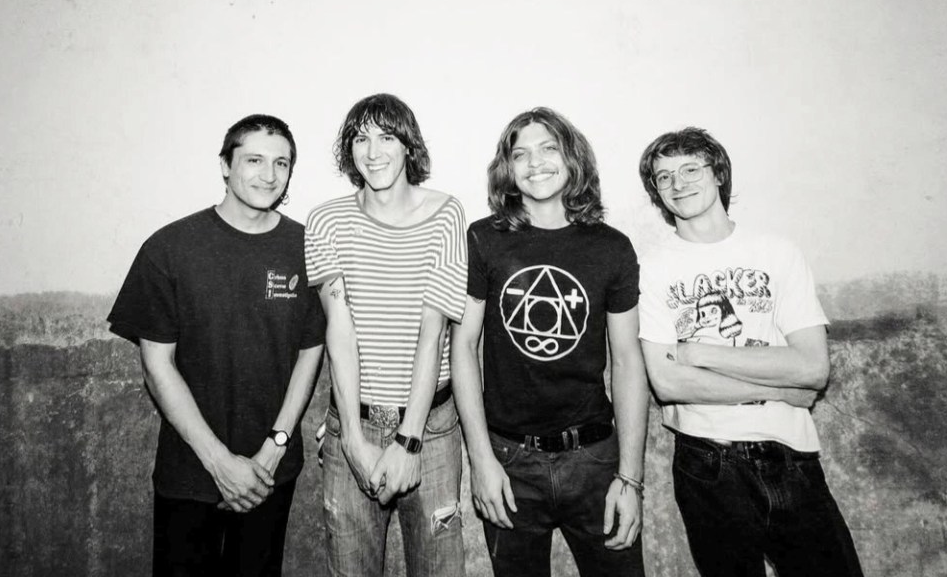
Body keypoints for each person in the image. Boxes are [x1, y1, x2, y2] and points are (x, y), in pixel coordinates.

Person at [637, 126, 864, 577]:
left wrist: (699, 352)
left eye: (690, 169)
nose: (678, 183)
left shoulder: (777, 253)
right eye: (664, 177)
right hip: (707, 460)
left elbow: (812, 368)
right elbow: (668, 382)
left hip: (791, 454)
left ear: (718, 174)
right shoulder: (651, 269)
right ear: (657, 192)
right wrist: (778, 389)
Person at [107, 114, 325, 577]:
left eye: (281, 163)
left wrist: (275, 447)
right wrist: (219, 462)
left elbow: (311, 352)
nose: (269, 175)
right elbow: (157, 366)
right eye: (254, 160)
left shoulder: (308, 248)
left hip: (270, 472)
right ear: (225, 165)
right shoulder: (169, 249)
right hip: (190, 472)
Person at [452, 107, 648, 577]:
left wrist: (631, 478)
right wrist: (480, 460)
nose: (535, 162)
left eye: (548, 149)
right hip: (509, 460)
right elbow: (463, 347)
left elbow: (627, 361)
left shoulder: (612, 247)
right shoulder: (484, 239)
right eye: (520, 154)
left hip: (595, 458)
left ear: (572, 157)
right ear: (508, 169)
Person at [305, 93, 467, 577]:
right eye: (361, 139)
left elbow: (432, 334)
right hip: (350, 423)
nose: (373, 152)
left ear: (408, 145)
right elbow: (340, 334)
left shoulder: (446, 214)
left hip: (429, 428)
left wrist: (409, 442)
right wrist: (353, 441)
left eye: (387, 137)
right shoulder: (326, 221)